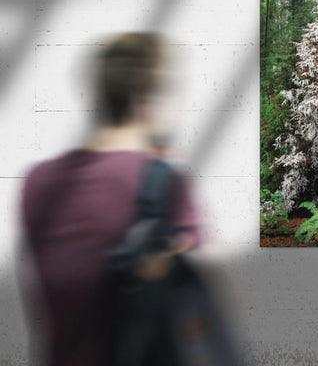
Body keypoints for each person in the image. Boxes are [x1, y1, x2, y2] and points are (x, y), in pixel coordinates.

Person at [18, 33, 202, 366]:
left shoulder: (37, 182)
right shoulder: (163, 183)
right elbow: (200, 316)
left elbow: (43, 305)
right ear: (148, 100)